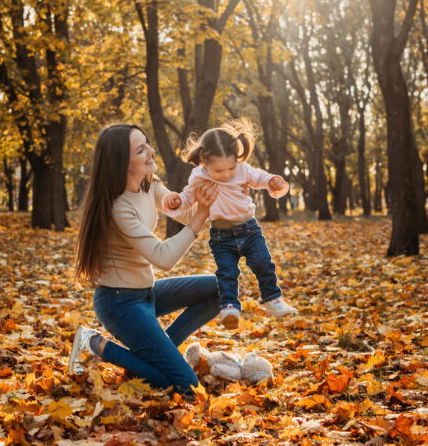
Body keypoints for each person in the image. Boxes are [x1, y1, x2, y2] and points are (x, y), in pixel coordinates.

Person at [69, 123, 221, 399]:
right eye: (141, 150)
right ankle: (93, 343)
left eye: (148, 143)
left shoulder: (149, 185)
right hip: (119, 304)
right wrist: (200, 216)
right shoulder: (119, 208)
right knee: (187, 388)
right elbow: (163, 258)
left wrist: (211, 190)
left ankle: (158, 359)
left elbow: (188, 215)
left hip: (146, 294)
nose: (151, 151)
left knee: (223, 288)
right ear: (121, 162)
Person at [163, 119, 297, 330]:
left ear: (237, 159)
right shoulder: (199, 175)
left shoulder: (243, 170)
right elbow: (188, 197)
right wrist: (176, 201)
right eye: (219, 171)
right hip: (221, 236)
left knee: (263, 262)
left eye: (231, 168)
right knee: (226, 273)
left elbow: (260, 177)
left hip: (249, 230)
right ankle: (229, 307)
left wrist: (272, 181)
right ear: (204, 162)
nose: (226, 175)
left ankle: (273, 299)